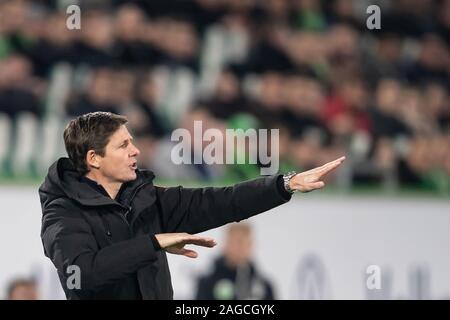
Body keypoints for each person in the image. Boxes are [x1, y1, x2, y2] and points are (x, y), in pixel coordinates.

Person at [38, 112, 345, 300]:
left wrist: (283, 184)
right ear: (94, 159)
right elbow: (82, 273)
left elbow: (221, 202)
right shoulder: (63, 212)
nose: (136, 150)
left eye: (132, 141)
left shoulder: (144, 197)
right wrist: (154, 243)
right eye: (123, 145)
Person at [195, 223, 275, 300]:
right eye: (237, 242)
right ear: (226, 244)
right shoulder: (207, 283)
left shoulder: (263, 286)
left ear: (251, 246)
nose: (240, 248)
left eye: (245, 243)